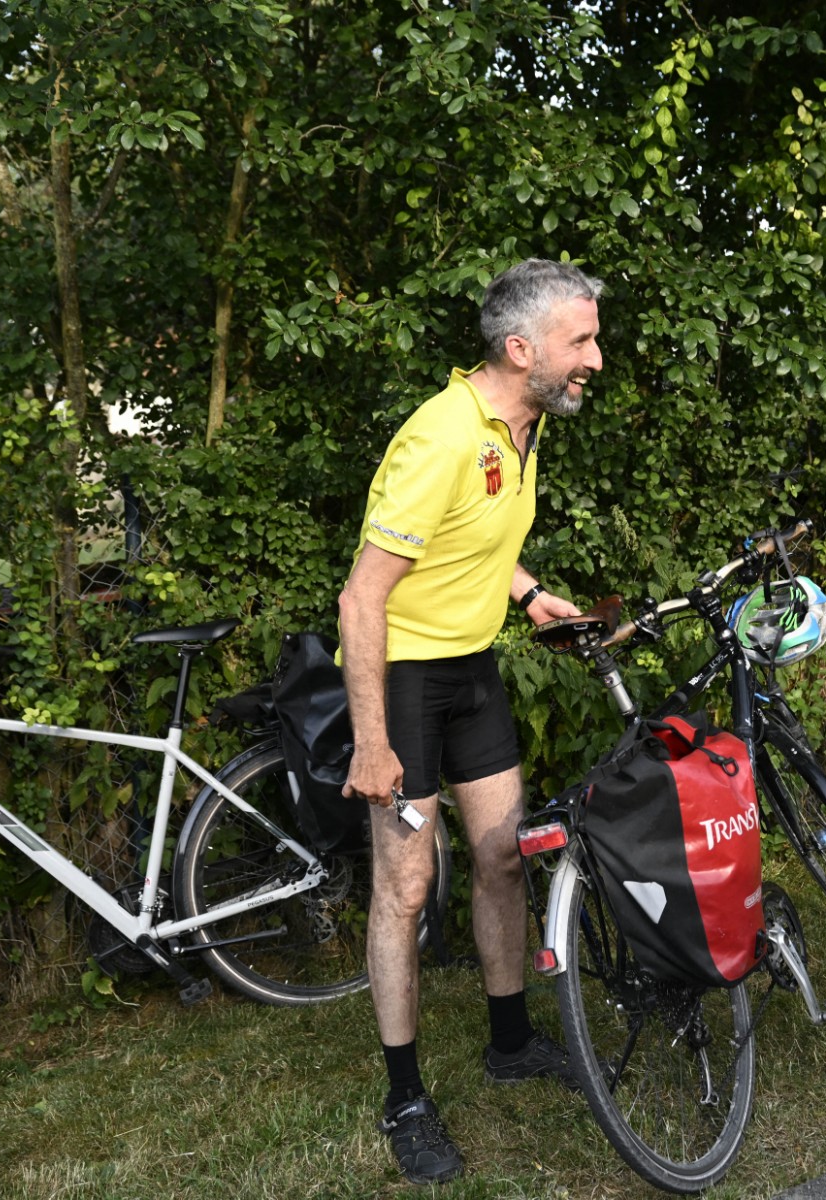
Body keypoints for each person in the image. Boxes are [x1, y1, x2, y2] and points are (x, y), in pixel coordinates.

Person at [336, 258, 599, 1186]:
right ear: (520, 348)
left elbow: (477, 536)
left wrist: (527, 593)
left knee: (499, 854)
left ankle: (509, 1039)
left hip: (475, 665)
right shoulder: (441, 437)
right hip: (405, 679)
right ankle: (404, 1095)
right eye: (581, 341)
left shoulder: (525, 425)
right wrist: (372, 742)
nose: (595, 359)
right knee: (405, 889)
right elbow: (362, 599)